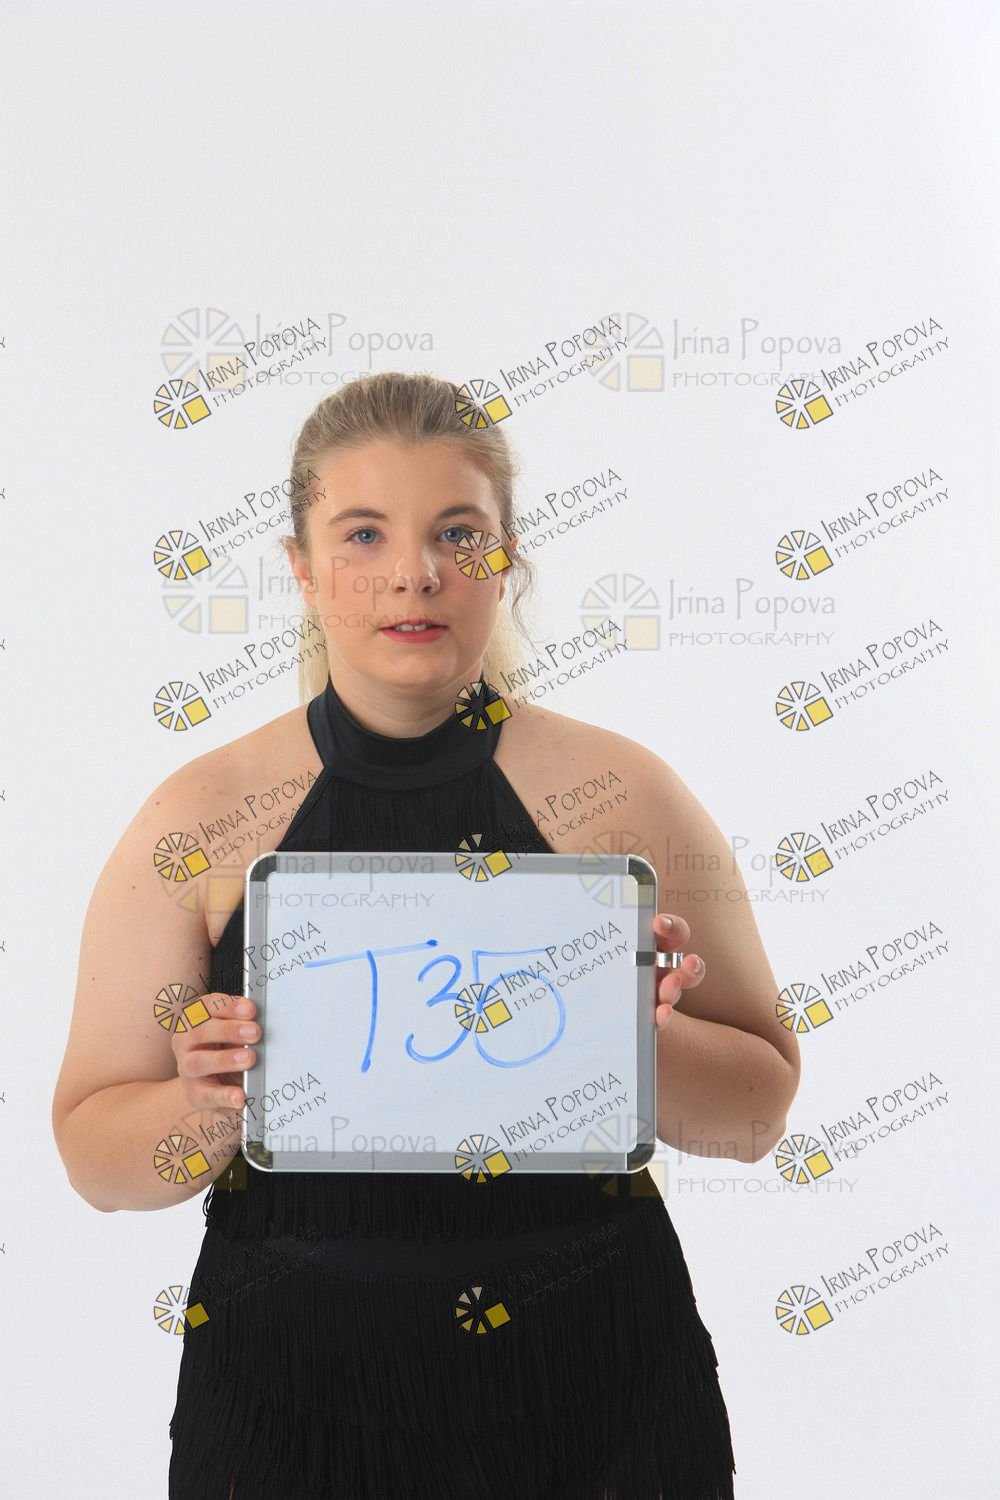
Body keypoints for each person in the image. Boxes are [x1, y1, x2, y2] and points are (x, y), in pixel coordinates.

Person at [52, 371, 800, 1499]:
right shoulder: (198, 820)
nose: (415, 572)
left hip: (600, 1388)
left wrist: (632, 1036)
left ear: (507, 560)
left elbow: (756, 1118)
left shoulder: (620, 796)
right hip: (286, 1399)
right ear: (301, 566)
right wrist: (205, 1106)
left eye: (459, 532)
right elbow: (95, 1162)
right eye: (364, 534)